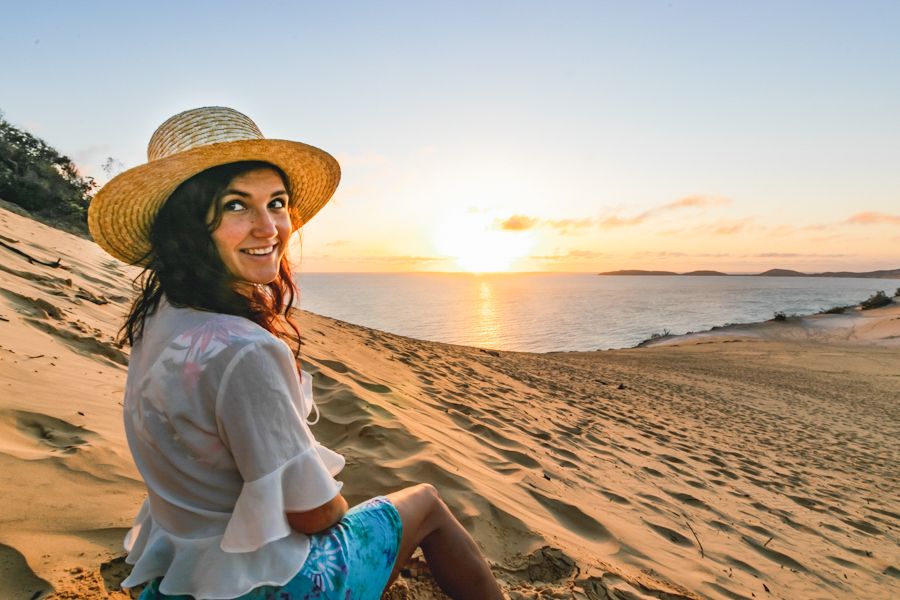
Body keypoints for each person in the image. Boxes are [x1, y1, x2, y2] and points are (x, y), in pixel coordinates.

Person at [88, 106, 504, 600]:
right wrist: (328, 498)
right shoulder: (244, 351)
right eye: (236, 206)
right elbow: (314, 515)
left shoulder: (159, 314)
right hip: (253, 584)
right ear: (187, 224)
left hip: (179, 569)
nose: (269, 228)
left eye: (277, 203)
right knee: (427, 504)